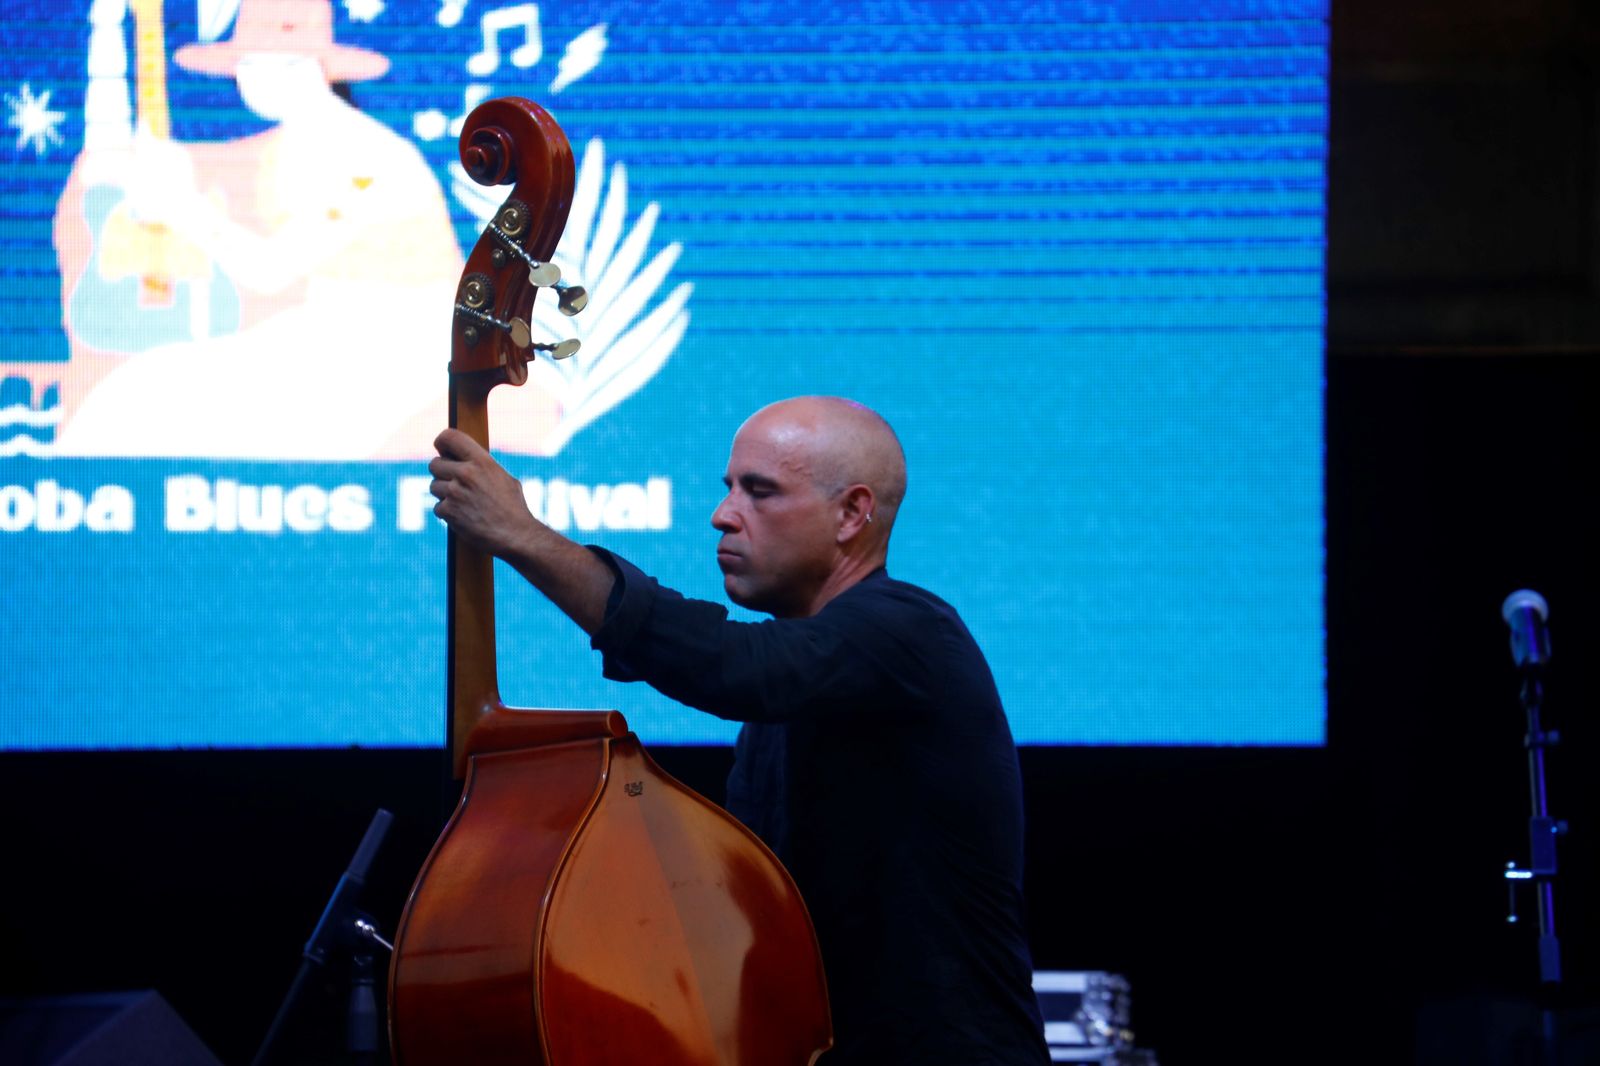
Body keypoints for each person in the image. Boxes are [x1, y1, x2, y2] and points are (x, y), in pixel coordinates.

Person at [428, 395, 1049, 1064]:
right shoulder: (796, 697)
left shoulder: (910, 632)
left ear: (852, 514)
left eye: (760, 492)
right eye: (729, 489)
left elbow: (730, 666)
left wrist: (522, 534)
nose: (723, 515)